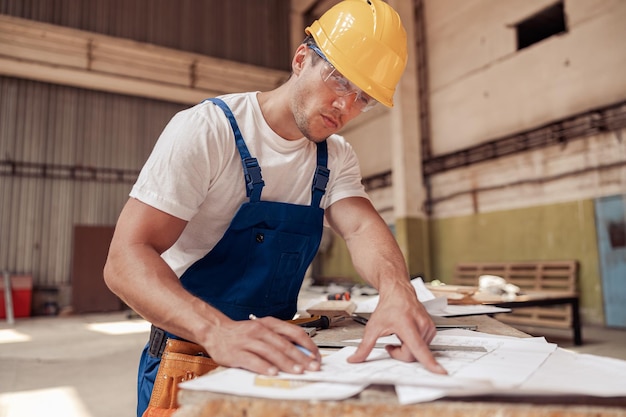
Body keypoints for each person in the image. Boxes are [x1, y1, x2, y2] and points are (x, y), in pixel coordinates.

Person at [104, 1, 447, 415]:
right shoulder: (209, 130)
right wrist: (217, 331)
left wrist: (397, 290)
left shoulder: (335, 156)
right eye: (340, 81)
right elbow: (124, 260)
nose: (347, 106)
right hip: (188, 356)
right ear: (302, 59)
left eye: (364, 98)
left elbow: (360, 228)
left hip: (279, 359)